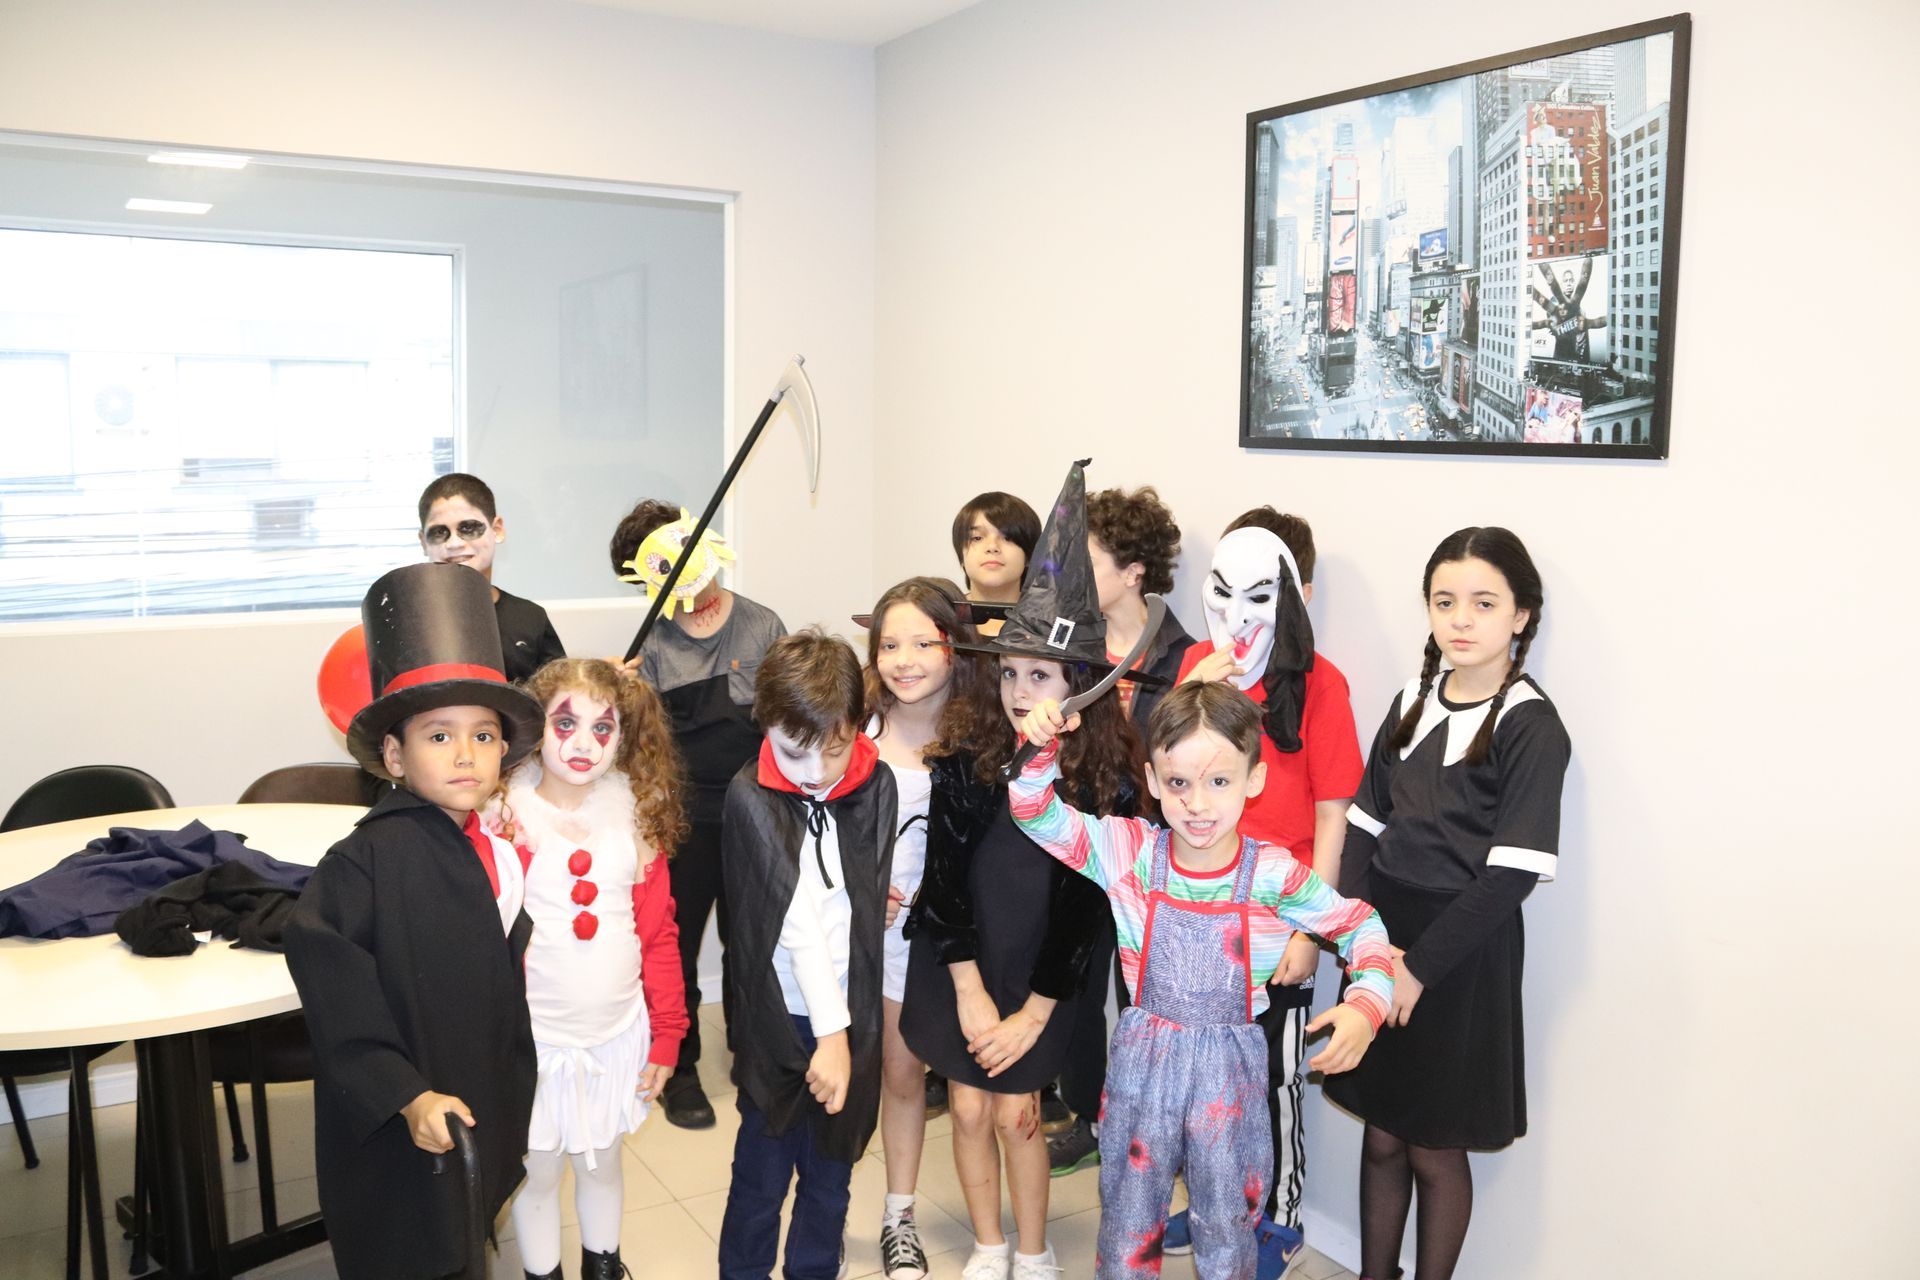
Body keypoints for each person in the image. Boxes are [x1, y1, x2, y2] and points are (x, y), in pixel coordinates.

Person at [1011, 681, 1393, 1280]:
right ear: (1152, 779)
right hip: (1142, 1066)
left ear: (1253, 780)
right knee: (1128, 1221)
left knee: (1226, 1224)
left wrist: (1364, 1007)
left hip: (1228, 1075)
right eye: (1178, 783)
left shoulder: (1273, 875)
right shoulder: (1129, 853)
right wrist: (1039, 745)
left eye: (1218, 781)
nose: (1196, 803)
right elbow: (1033, 811)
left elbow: (1361, 927)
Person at [905, 460, 1150, 1280]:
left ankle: (1035, 1251)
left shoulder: (1104, 784)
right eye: (1009, 672)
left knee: (1017, 1115)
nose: (1018, 691)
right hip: (961, 961)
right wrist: (970, 993)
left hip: (1044, 975)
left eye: (1039, 675)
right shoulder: (966, 756)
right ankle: (987, 1244)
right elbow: (944, 882)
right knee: (969, 1108)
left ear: (1079, 685)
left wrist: (1033, 1016)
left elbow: (1084, 914)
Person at [285, 562, 544, 1279]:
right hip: (404, 1113)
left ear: (505, 750)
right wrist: (404, 1093)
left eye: (484, 736)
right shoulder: (365, 861)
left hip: (475, 1082)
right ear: (395, 755)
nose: (465, 754)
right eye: (438, 737)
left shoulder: (495, 849)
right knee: (411, 1244)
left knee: (461, 1229)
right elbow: (333, 983)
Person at [1324, 527, 1570, 1280]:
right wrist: (1364, 939)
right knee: (1382, 1134)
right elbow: (1364, 827)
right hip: (1383, 934)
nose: (1461, 619)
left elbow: (1511, 875)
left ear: (1521, 615)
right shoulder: (1410, 699)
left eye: (1484, 603)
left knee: (1433, 1144)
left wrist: (1416, 968)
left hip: (1459, 953)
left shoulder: (1531, 725)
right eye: (1444, 601)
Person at [1170, 509, 1364, 1259]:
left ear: (1297, 595)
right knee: (1199, 1076)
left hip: (1279, 916)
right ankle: (1209, 1202)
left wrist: (1312, 931)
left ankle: (1278, 1219)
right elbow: (1166, 776)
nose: (1239, 614)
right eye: (1226, 590)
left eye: (1261, 593)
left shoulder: (1322, 685)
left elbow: (1333, 817)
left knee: (1272, 1076)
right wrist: (1194, 693)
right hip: (1198, 907)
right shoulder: (1197, 663)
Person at [492, 658, 690, 1280]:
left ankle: (603, 1267)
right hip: (537, 1041)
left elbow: (658, 937)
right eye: (566, 723)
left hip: (614, 1036)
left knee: (602, 1165)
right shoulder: (504, 822)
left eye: (603, 728)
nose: (584, 743)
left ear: (623, 737)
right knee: (538, 1172)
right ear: (535, 728)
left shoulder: (636, 820)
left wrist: (669, 1032)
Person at [717, 629, 898, 1280]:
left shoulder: (874, 782)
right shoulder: (751, 796)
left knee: (830, 1175)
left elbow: (862, 877)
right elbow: (794, 924)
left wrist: (871, 900)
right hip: (784, 1016)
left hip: (852, 1009)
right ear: (765, 722)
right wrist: (830, 1037)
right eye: (796, 752)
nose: (817, 771)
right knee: (761, 1176)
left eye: (836, 747)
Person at [609, 498, 787, 1128]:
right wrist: (620, 697)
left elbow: (787, 723)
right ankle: (678, 1067)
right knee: (675, 944)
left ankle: (751, 1052)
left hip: (756, 814)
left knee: (753, 941)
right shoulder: (652, 644)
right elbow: (633, 746)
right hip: (680, 820)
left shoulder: (763, 625)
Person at [1045, 485, 1195, 1177]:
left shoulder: (1183, 657)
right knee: (1076, 989)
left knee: (1143, 1000)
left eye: (1090, 561)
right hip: (1083, 846)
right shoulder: (1069, 646)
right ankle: (1089, 1115)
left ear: (1134, 571)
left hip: (1151, 854)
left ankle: (1147, 1135)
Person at [858, 577, 987, 1280]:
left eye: (921, 643)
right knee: (901, 1073)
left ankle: (999, 1238)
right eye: (888, 645)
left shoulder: (985, 733)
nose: (902, 661)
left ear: (954, 648)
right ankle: (898, 1215)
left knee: (977, 1099)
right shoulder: (858, 731)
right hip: (884, 938)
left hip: (962, 939)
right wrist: (861, 890)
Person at [417, 473, 566, 683]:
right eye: (439, 532)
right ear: (424, 542)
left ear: (497, 530)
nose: (454, 544)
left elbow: (561, 694)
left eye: (468, 528)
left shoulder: (530, 619)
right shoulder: (408, 621)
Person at [950, 491, 1040, 637]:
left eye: (1008, 538)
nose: (992, 547)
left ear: (1029, 556)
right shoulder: (939, 618)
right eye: (977, 538)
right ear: (961, 555)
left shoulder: (1049, 623)